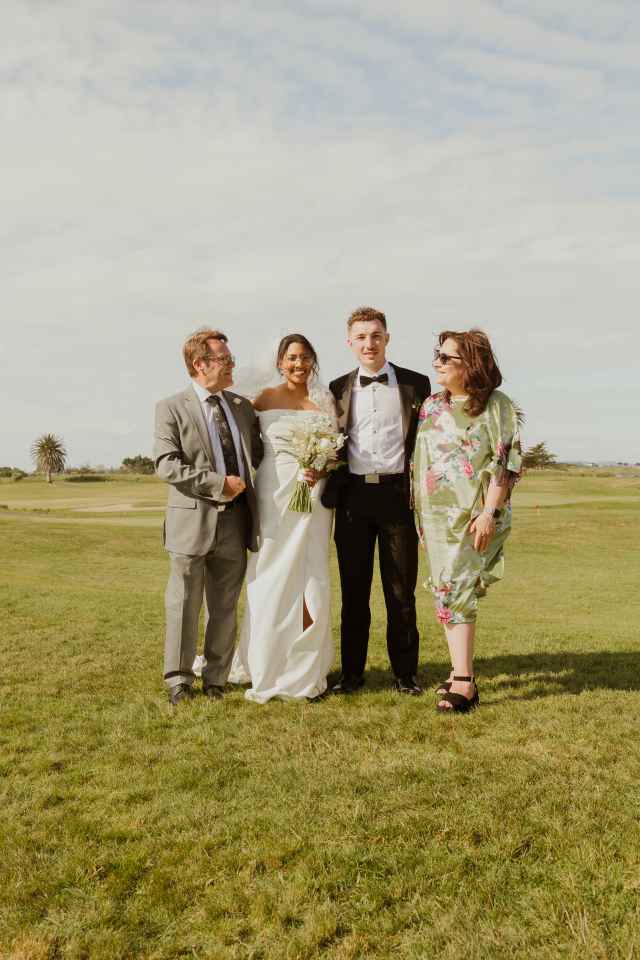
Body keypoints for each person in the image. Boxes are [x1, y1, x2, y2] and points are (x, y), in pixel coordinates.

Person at [321, 306, 430, 695]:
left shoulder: (416, 384)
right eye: (362, 337)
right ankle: (352, 675)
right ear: (350, 342)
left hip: (398, 496)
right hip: (352, 498)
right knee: (354, 592)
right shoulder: (336, 388)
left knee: (401, 591)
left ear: (387, 338)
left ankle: (406, 675)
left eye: (376, 335)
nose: (369, 343)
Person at [412, 329, 522, 713]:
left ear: (470, 364)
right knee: (445, 591)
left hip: (473, 516)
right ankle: (457, 669)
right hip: (434, 520)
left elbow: (505, 461)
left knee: (456, 590)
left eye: (446, 357)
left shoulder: (496, 405)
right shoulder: (431, 405)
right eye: (437, 354)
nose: (437, 362)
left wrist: (489, 512)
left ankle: (465, 682)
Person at [153, 328, 263, 705]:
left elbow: (260, 455)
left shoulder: (242, 407)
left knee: (225, 606)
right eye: (225, 359)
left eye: (231, 359)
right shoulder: (170, 407)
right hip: (190, 522)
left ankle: (216, 678)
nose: (232, 365)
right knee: (183, 604)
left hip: (236, 522)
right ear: (200, 364)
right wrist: (219, 485)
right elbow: (167, 465)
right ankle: (179, 680)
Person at [228, 335, 335, 702]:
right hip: (274, 495)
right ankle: (266, 662)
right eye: (291, 358)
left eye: (305, 357)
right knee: (270, 574)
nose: (298, 364)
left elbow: (335, 452)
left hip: (313, 498)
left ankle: (305, 665)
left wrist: (321, 469)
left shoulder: (325, 402)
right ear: (280, 362)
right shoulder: (262, 399)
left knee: (311, 575)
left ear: (313, 361)